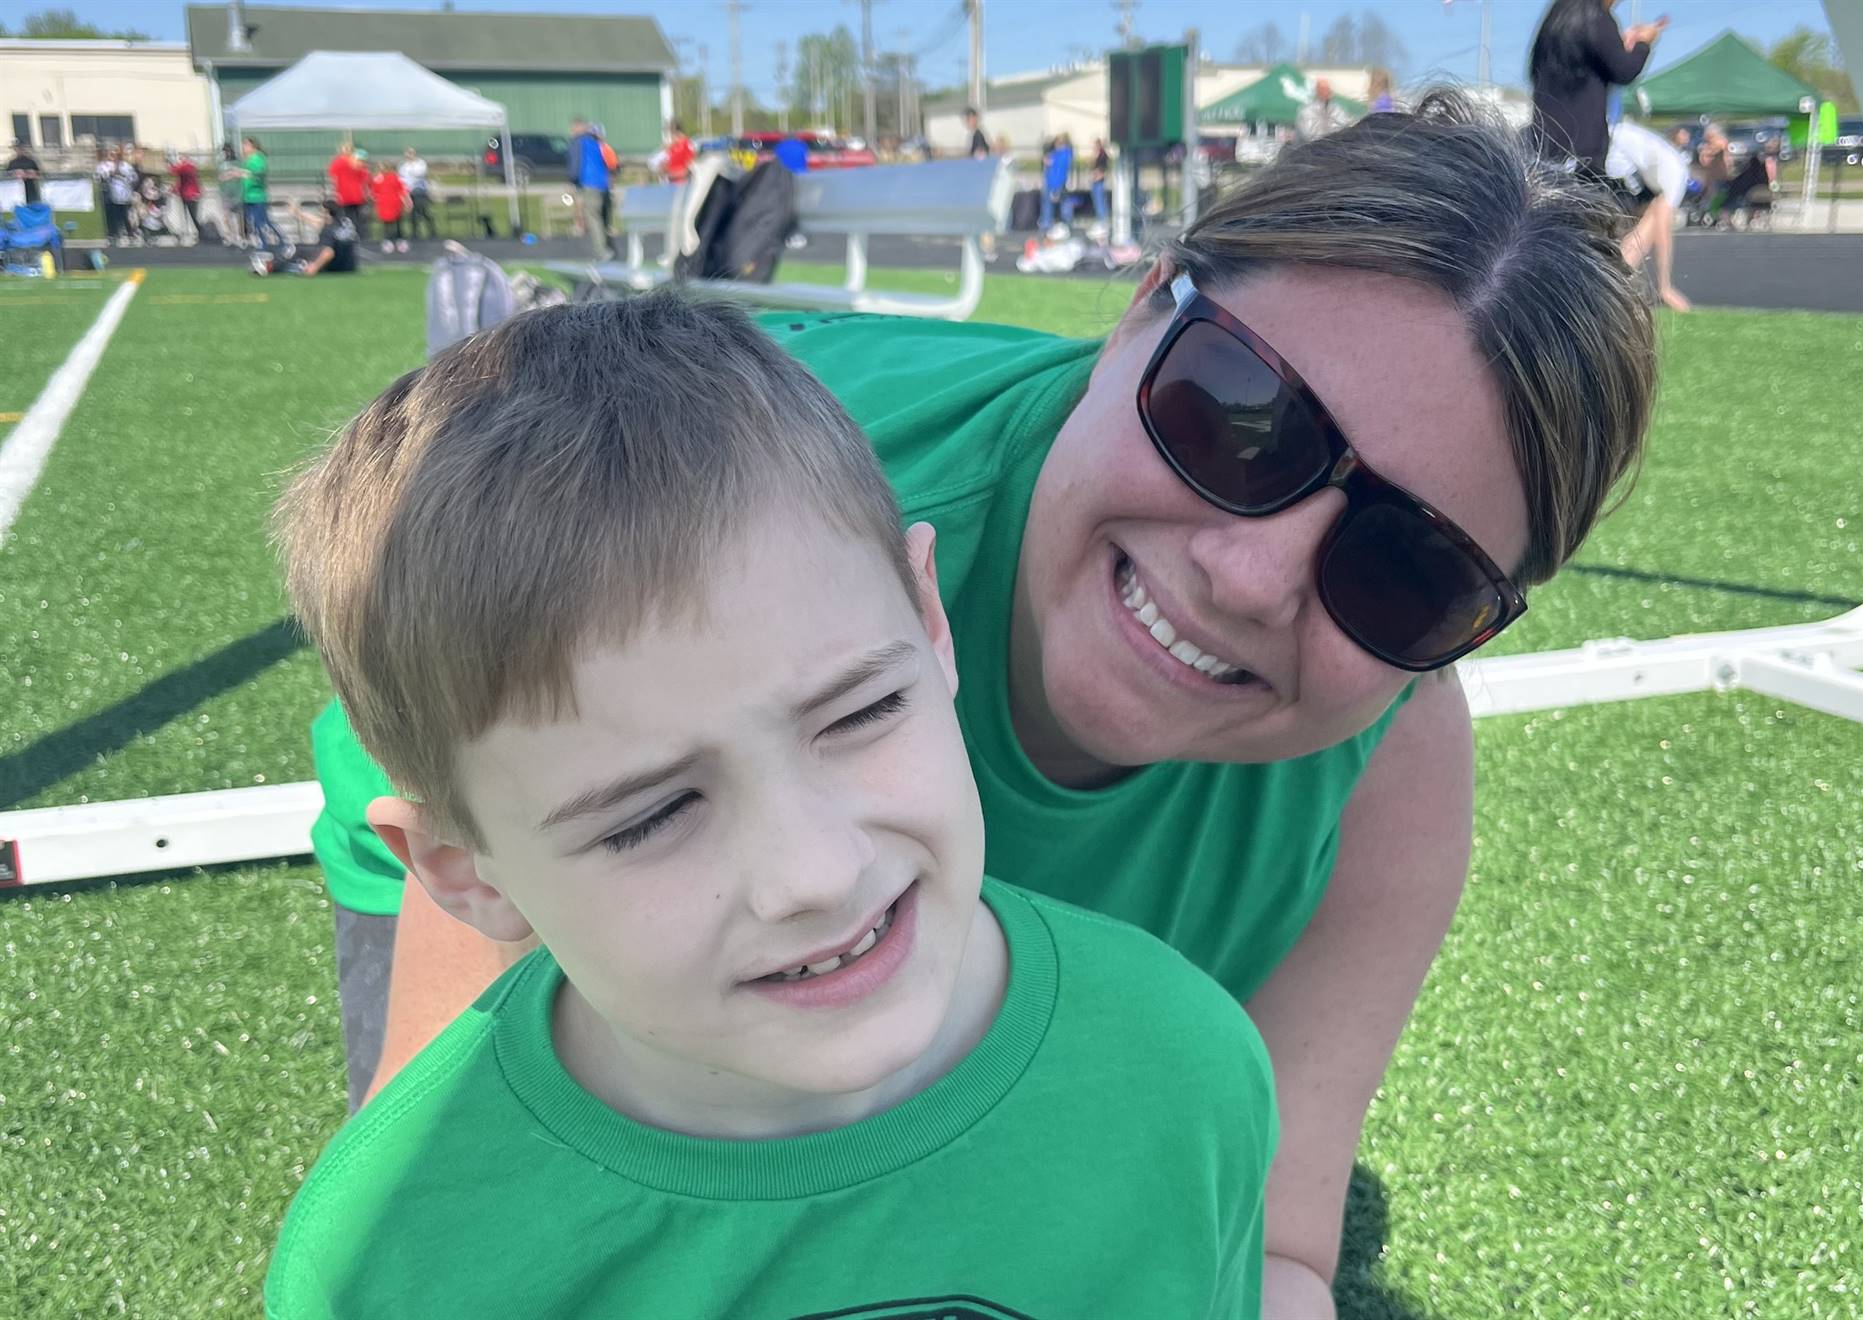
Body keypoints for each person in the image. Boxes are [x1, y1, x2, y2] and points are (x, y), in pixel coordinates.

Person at [309, 93, 1659, 1316]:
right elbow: (454, 1218)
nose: (1252, 578)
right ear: (1142, 308)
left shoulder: (1386, 759)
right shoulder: (791, 546)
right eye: (1239, 415)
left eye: (1407, 572)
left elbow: (1279, 1245)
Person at [268, 291, 1276, 1317]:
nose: (816, 873)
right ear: (460, 871)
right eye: (650, 816)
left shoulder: (1184, 1069)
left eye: (864, 711)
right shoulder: (394, 1262)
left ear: (931, 621)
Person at [1529, 0, 1667, 174]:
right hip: (1583, 150)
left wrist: (1618, 46)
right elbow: (1624, 71)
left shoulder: (1557, 18)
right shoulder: (1597, 18)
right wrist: (1643, 43)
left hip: (1544, 143)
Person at [1606, 119, 1691, 311]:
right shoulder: (1675, 177)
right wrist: (1665, 286)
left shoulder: (1664, 161)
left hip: (1603, 140)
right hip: (1606, 147)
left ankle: (1615, 280)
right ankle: (1615, 283)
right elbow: (1662, 233)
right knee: (1650, 225)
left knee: (1643, 223)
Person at [250, 200, 358, 276]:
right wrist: (298, 214)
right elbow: (317, 222)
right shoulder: (344, 223)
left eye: (321, 212)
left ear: (327, 213)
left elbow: (328, 252)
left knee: (296, 249)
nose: (319, 214)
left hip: (332, 266)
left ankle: (270, 267)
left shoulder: (328, 230)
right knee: (306, 250)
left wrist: (315, 266)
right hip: (348, 267)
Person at [567, 116, 613, 261]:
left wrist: (572, 180)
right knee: (602, 218)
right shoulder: (595, 142)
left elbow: (575, 163)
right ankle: (607, 247)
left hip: (589, 182)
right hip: (603, 183)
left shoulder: (578, 142)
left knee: (593, 217)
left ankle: (602, 252)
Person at [239, 136, 293, 257]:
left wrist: (242, 173)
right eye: (243, 145)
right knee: (254, 222)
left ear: (253, 146)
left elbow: (257, 173)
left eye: (246, 145)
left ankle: (283, 241)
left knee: (264, 222)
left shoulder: (258, 158)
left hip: (258, 196)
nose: (244, 148)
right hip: (248, 196)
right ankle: (263, 244)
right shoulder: (246, 160)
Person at [326, 142, 371, 232]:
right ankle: (358, 237)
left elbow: (332, 176)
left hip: (345, 195)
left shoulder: (338, 161)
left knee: (347, 218)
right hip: (356, 195)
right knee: (358, 219)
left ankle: (350, 237)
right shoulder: (359, 162)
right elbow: (365, 178)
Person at [397, 146, 435, 241]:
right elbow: (401, 178)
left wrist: (411, 168)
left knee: (423, 211)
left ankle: (432, 231)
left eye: (411, 153)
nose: (409, 155)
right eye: (407, 153)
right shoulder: (402, 166)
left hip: (420, 192)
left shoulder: (421, 163)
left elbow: (419, 174)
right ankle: (415, 233)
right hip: (409, 193)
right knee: (412, 214)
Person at [370, 161, 409, 253]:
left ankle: (400, 241)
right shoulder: (377, 179)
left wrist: (406, 202)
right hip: (384, 204)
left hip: (395, 203)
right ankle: (388, 241)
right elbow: (374, 193)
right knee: (387, 224)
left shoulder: (395, 177)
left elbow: (402, 190)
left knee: (398, 223)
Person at [1040, 134, 1074, 236]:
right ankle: (1050, 223)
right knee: (1053, 204)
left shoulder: (1062, 154)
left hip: (1056, 182)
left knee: (1059, 204)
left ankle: (1056, 223)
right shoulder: (1060, 154)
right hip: (1052, 182)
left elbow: (1053, 165)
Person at [217, 142, 249, 247]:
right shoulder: (221, 164)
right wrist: (229, 174)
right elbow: (221, 177)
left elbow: (244, 174)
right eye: (225, 151)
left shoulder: (238, 162)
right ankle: (231, 236)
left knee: (240, 218)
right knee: (226, 217)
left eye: (227, 150)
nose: (226, 153)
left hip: (238, 194)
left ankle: (242, 237)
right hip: (226, 194)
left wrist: (234, 173)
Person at [167, 150, 203, 241]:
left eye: (181, 158)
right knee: (185, 214)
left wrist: (170, 163)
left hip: (190, 194)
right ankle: (186, 231)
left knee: (193, 215)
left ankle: (201, 231)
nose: (180, 160)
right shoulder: (188, 167)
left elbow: (174, 171)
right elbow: (181, 181)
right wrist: (173, 190)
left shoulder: (188, 166)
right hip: (186, 194)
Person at [5, 140, 41, 206]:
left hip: (30, 188)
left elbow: (39, 174)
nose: (19, 150)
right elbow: (6, 176)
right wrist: (15, 174)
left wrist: (30, 174)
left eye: (20, 148)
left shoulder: (31, 162)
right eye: (16, 148)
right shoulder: (12, 163)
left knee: (32, 205)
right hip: (16, 190)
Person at [661, 119, 695, 184]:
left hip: (683, 186)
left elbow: (689, 170)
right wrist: (663, 169)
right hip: (670, 185)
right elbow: (665, 166)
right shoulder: (671, 147)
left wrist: (670, 175)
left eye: (670, 132)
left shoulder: (687, 144)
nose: (669, 136)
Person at [1089, 136, 1111, 225]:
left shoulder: (1102, 155)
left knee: (1100, 201)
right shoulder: (1097, 155)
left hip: (1099, 181)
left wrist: (1098, 175)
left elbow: (1103, 168)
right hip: (1095, 181)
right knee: (1097, 201)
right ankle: (1101, 219)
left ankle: (1103, 220)